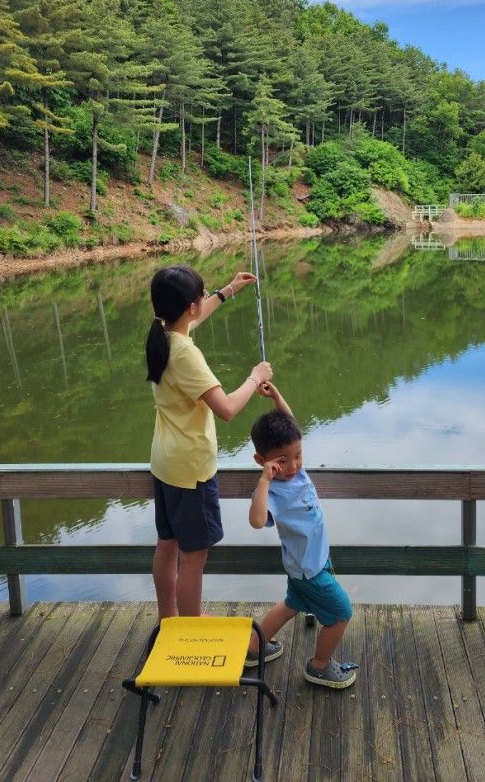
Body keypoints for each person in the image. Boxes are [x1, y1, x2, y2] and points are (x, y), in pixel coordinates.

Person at [145, 264, 272, 619]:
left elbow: (193, 321)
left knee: (167, 546)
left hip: (166, 464)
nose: (202, 303)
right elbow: (228, 408)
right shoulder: (185, 354)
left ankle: (169, 622)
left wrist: (227, 290)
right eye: (200, 297)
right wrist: (255, 376)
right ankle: (189, 631)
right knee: (194, 558)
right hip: (190, 470)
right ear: (190, 306)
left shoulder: (162, 335)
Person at [246, 382, 357, 689]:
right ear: (263, 461)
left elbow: (290, 422)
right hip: (309, 570)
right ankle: (319, 666)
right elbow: (256, 521)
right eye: (282, 460)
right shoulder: (274, 489)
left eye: (298, 455)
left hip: (306, 564)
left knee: (291, 604)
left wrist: (276, 396)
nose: (293, 465)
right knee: (340, 613)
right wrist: (265, 481)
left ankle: (254, 648)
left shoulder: (296, 470)